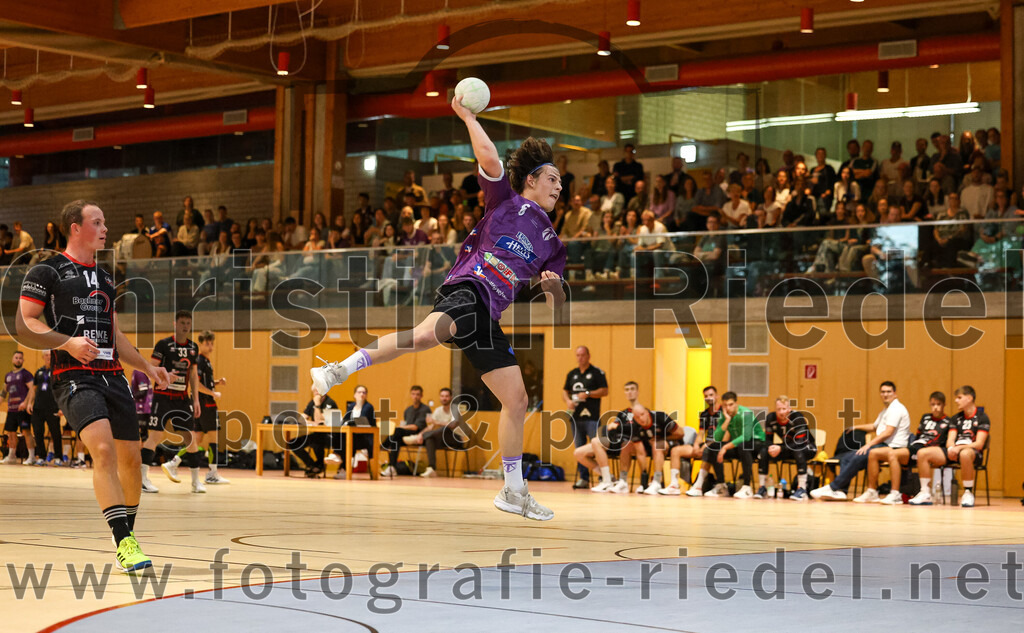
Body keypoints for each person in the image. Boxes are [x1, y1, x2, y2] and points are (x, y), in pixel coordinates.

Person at [311, 94, 567, 521]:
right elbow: (488, 156)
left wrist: (553, 288)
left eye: (562, 183)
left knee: (517, 400)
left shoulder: (552, 242)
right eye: (553, 179)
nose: (560, 187)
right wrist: (467, 116)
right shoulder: (506, 201)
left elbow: (559, 303)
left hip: (488, 313)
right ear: (532, 180)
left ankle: (513, 489)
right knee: (424, 336)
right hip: (469, 287)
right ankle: (339, 369)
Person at [16, 199, 173, 572]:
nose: (105, 229)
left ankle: (126, 535)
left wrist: (148, 368)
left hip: (112, 375)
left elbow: (113, 335)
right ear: (75, 227)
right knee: (102, 450)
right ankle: (124, 542)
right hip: (72, 376)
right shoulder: (47, 270)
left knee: (131, 461)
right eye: (98, 222)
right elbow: (27, 322)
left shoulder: (104, 278)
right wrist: (67, 342)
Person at [811, 380, 911, 501]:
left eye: (888, 392)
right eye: (883, 392)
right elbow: (875, 427)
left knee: (859, 454)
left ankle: (833, 487)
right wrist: (855, 427)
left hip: (894, 447)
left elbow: (888, 432)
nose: (885, 394)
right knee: (846, 457)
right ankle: (842, 491)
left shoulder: (896, 409)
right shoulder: (886, 410)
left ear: (895, 394)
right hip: (882, 445)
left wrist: (868, 445)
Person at [144, 311, 204, 493]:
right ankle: (142, 479)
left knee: (190, 438)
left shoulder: (193, 347)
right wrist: (164, 376)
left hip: (182, 399)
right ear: (175, 324)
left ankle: (195, 482)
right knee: (154, 436)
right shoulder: (163, 344)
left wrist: (196, 400)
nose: (185, 326)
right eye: (182, 322)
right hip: (162, 396)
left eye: (188, 323)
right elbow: (151, 366)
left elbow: (193, 375)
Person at [688, 391, 764, 498]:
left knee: (744, 445)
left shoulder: (746, 413)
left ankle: (747, 487)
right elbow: (717, 438)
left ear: (736, 403)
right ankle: (721, 486)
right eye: (725, 405)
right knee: (714, 447)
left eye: (731, 405)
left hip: (756, 444)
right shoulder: (725, 415)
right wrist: (727, 420)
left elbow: (746, 437)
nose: (728, 408)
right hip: (739, 446)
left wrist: (725, 447)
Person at [579, 381, 643, 493]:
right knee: (580, 452)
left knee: (621, 444)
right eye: (627, 390)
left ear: (637, 392)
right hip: (616, 440)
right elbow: (612, 428)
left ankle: (614, 481)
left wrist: (619, 427)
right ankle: (609, 478)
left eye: (632, 389)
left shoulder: (643, 411)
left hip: (632, 442)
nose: (630, 392)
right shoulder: (623, 413)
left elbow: (638, 428)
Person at [563, 346, 609, 489]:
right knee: (579, 449)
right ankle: (584, 478)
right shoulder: (572, 374)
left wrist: (588, 393)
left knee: (596, 448)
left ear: (588, 356)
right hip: (576, 419)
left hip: (592, 418)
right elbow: (565, 391)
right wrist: (568, 401)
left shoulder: (597, 373)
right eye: (577, 355)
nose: (580, 358)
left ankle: (603, 477)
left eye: (583, 355)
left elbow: (605, 391)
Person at [755, 396, 816, 501]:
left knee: (798, 450)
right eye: (779, 409)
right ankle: (762, 487)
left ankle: (802, 489)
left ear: (789, 409)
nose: (781, 412)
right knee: (764, 451)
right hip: (788, 447)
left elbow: (799, 442)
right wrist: (771, 447)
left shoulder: (798, 418)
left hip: (807, 447)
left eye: (784, 409)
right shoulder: (771, 418)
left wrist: (780, 448)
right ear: (775, 410)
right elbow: (768, 439)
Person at [661, 385, 719, 495]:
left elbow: (722, 435)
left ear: (717, 396)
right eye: (706, 396)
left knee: (708, 451)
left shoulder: (723, 412)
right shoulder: (704, 414)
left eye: (711, 395)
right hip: (704, 444)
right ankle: (674, 485)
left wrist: (705, 446)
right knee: (676, 450)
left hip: (717, 445)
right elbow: (701, 432)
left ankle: (698, 486)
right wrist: (697, 445)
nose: (708, 398)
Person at [898, 392, 952, 506]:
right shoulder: (925, 417)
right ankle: (897, 492)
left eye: (938, 404)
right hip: (917, 446)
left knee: (922, 453)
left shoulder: (948, 421)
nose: (935, 407)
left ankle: (925, 492)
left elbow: (944, 442)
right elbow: (918, 435)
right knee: (894, 455)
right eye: (933, 404)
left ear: (944, 405)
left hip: (932, 450)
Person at [402, 387, 465, 478]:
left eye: (446, 396)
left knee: (444, 428)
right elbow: (431, 426)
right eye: (442, 396)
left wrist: (437, 422)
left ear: (451, 397)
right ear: (440, 397)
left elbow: (452, 425)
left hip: (456, 439)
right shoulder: (438, 410)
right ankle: (432, 468)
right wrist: (421, 434)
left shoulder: (455, 408)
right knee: (430, 438)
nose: (444, 398)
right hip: (442, 439)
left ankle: (421, 437)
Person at [946, 385, 990, 507]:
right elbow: (950, 439)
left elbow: (979, 444)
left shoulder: (982, 417)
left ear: (969, 398)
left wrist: (958, 448)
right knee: (924, 453)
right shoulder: (956, 418)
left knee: (965, 454)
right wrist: (951, 448)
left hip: (973, 453)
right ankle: (924, 491)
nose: (956, 401)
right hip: (955, 452)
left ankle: (968, 492)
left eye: (959, 397)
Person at [195, 331, 229, 485]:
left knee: (197, 438)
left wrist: (216, 382)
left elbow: (205, 383)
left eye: (212, 343)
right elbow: (196, 385)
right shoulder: (200, 361)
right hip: (206, 404)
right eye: (207, 343)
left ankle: (174, 462)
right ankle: (212, 473)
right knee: (214, 438)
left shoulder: (206, 361)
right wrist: (213, 393)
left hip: (202, 404)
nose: (210, 346)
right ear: (200, 344)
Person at [380, 385, 430, 476]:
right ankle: (392, 467)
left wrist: (400, 428)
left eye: (417, 394)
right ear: (411, 395)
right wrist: (401, 427)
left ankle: (382, 446)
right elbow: (406, 424)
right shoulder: (408, 410)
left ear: (421, 396)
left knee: (397, 432)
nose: (415, 396)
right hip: (405, 434)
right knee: (395, 440)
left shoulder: (425, 409)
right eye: (413, 394)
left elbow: (415, 427)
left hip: (419, 435)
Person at [288, 385, 339, 477]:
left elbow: (319, 419)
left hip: (331, 436)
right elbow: (302, 418)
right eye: (314, 391)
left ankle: (319, 465)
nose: (316, 393)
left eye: (318, 390)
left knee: (316, 441)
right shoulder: (312, 402)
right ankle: (312, 465)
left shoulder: (330, 403)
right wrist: (310, 421)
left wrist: (317, 405)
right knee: (293, 443)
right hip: (316, 434)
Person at [329, 384, 376, 478]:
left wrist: (349, 423)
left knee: (346, 441)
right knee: (338, 433)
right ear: (354, 395)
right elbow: (345, 419)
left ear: (366, 395)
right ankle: (338, 459)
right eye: (359, 392)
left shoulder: (368, 407)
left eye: (364, 392)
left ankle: (339, 460)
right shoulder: (351, 406)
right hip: (352, 436)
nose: (362, 394)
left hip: (365, 438)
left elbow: (361, 420)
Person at [27, 350, 62, 466]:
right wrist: (30, 403)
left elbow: (62, 390)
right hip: (38, 408)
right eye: (46, 355)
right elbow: (33, 389)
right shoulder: (39, 372)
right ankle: (41, 457)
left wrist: (62, 407)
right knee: (38, 432)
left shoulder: (58, 371)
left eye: (50, 355)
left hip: (53, 407)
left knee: (55, 433)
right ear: (43, 357)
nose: (48, 357)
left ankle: (58, 457)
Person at [2, 350, 35, 464]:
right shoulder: (8, 376)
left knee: (26, 432)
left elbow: (32, 389)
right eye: (16, 357)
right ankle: (11, 456)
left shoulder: (26, 374)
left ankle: (31, 457)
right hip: (11, 409)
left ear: (23, 360)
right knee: (11, 433)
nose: (18, 360)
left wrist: (26, 402)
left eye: (20, 358)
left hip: (22, 410)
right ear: (12, 359)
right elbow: (3, 393)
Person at [132, 369, 158, 492]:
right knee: (144, 437)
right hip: (145, 409)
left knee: (141, 438)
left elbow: (142, 392)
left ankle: (139, 468)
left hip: (142, 409)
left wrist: (128, 396)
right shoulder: (139, 371)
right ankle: (141, 469)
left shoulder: (138, 371)